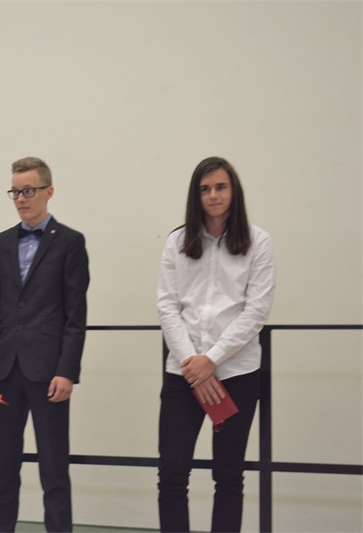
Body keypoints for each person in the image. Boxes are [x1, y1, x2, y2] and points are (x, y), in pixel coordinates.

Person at [156, 156, 275, 532]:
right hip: (184, 373)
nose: (213, 195)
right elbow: (167, 306)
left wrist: (212, 359)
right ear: (196, 196)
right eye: (205, 189)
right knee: (172, 472)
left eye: (220, 187)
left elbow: (256, 311)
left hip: (237, 373)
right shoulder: (177, 241)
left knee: (228, 475)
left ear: (233, 191)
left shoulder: (258, 241)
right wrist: (194, 363)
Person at [0, 156, 89, 533]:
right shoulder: (1, 242)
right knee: (4, 468)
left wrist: (67, 371)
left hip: (48, 373)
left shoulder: (70, 242)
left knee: (54, 469)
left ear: (48, 192)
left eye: (28, 191)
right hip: (4, 371)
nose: (21, 199)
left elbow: (76, 315)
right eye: (15, 192)